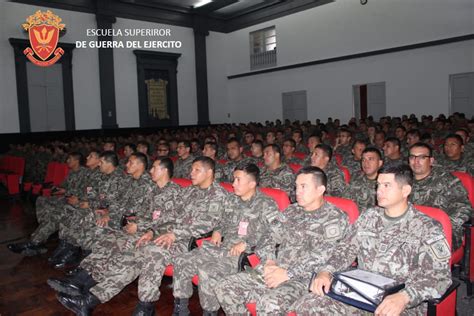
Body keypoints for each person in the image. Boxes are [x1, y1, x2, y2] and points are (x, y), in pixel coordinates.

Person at [56, 157, 229, 316]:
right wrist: (152, 231)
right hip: (166, 235)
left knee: (151, 253)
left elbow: (204, 225)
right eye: (191, 169)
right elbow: (170, 217)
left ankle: (143, 306)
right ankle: (90, 298)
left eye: (196, 170)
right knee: (131, 256)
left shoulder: (218, 195)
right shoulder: (189, 191)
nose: (191, 173)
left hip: (190, 243)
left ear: (209, 172)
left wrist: (173, 234)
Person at [291, 163, 452, 315]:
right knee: (308, 305)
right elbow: (346, 249)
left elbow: (440, 278)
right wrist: (326, 270)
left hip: (400, 302)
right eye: (378, 185)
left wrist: (405, 296)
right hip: (360, 293)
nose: (379, 191)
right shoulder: (369, 216)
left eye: (386, 186)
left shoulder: (428, 227)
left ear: (405, 191)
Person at [215, 166, 349, 315]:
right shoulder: (292, 211)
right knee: (224, 287)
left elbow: (326, 255)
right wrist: (270, 261)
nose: (297, 191)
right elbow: (268, 235)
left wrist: (288, 274)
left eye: (304, 187)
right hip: (275, 268)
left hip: (304, 279)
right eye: (297, 186)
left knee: (269, 303)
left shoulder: (335, 217)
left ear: (320, 190)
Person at [48, 157, 181, 300]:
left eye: (154, 168)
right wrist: (133, 222)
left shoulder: (174, 191)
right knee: (109, 240)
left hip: (153, 235)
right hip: (139, 228)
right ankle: (80, 278)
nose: (151, 170)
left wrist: (138, 225)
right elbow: (143, 214)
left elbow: (168, 222)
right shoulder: (154, 190)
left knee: (117, 244)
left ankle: (86, 286)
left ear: (164, 170)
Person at [172, 163, 282, 315]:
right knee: (181, 261)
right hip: (221, 247)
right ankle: (181, 309)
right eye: (233, 179)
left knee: (208, 270)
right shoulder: (232, 199)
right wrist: (218, 230)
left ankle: (209, 312)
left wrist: (247, 243)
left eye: (238, 180)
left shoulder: (267, 204)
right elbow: (221, 220)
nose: (233, 184)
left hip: (241, 255)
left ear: (252, 183)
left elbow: (277, 234)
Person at [8, 152, 89, 256]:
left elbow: (84, 191)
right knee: (41, 200)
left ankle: (35, 241)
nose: (67, 161)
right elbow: (64, 185)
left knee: (55, 214)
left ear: (76, 161)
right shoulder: (71, 172)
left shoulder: (85, 173)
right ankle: (44, 228)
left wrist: (66, 191)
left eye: (70, 159)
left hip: (75, 200)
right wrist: (58, 189)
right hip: (66, 198)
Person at [408, 142, 471, 249]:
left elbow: (464, 207)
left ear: (431, 161)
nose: (416, 161)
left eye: (422, 157)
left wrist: (443, 226)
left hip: (441, 233)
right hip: (409, 231)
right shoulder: (402, 180)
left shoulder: (446, 180)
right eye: (412, 157)